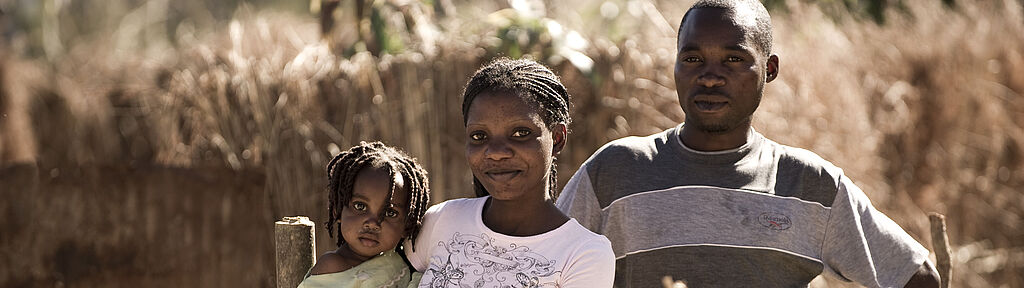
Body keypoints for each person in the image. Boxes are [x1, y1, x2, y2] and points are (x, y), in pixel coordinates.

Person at [555, 0, 941, 287]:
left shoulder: (811, 185)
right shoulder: (615, 171)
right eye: (692, 59)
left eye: (734, 60)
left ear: (769, 70)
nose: (709, 77)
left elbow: (917, 277)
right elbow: (542, 265)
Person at [405, 58, 615, 287]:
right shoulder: (441, 220)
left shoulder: (584, 253)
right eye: (479, 136)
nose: (496, 153)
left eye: (520, 133)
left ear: (557, 138)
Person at [299, 141, 431, 288]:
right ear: (338, 210)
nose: (373, 223)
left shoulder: (406, 262)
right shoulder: (332, 267)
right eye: (360, 206)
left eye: (390, 213)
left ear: (407, 225)